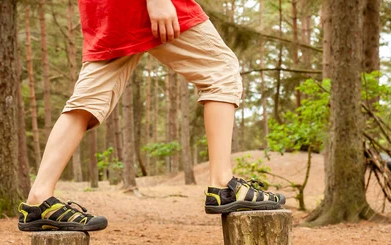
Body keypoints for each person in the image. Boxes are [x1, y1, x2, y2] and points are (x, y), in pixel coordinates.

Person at [17, 0, 285, 232]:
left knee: (87, 99)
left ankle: (39, 197)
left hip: (102, 7)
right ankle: (223, 184)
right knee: (221, 71)